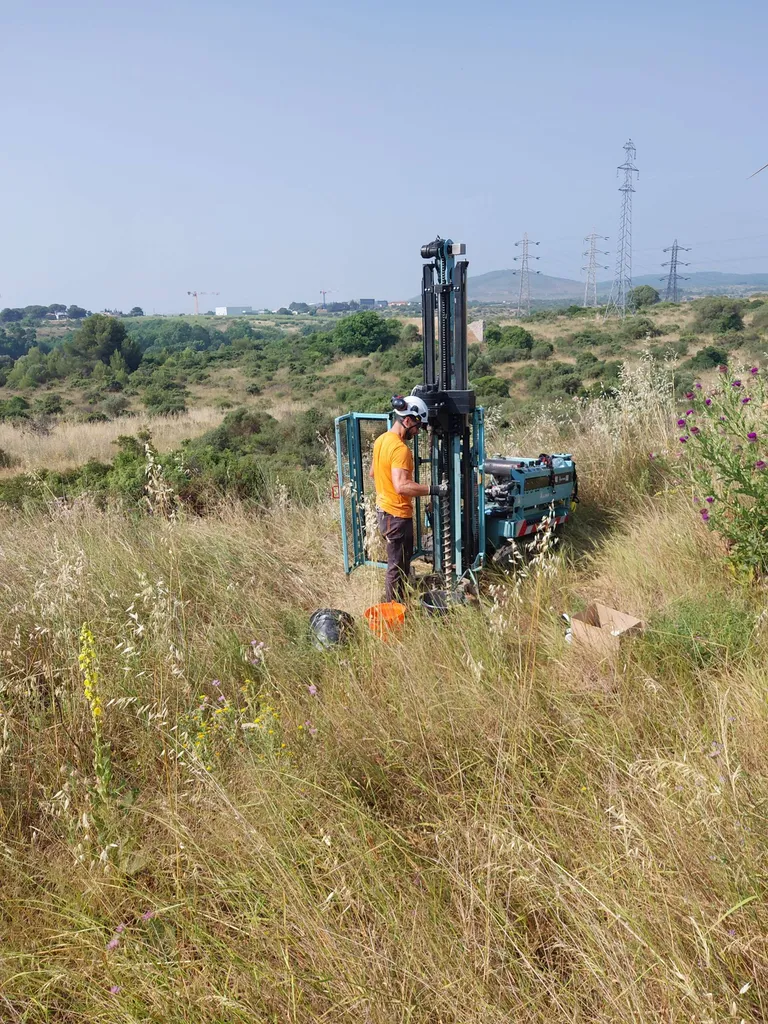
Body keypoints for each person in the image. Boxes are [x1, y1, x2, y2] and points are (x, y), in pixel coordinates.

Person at [369, 393, 446, 602]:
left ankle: (399, 604)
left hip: (384, 512)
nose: (418, 431)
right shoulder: (400, 449)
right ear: (407, 419)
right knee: (397, 567)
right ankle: (392, 610)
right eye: (417, 426)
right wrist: (433, 489)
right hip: (397, 516)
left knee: (399, 564)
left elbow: (373, 473)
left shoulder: (381, 441)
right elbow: (402, 486)